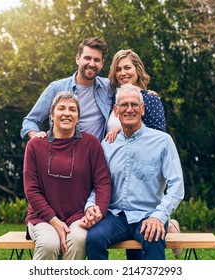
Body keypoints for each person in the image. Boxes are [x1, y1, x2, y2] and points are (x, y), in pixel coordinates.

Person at [85, 84, 185, 260]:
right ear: (116, 111)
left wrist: (159, 217)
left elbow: (177, 186)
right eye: (124, 105)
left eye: (134, 105)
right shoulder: (107, 145)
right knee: (94, 238)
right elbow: (98, 185)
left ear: (143, 109)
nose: (129, 109)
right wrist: (91, 206)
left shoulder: (163, 141)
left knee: (153, 236)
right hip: (115, 217)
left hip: (148, 215)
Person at [106, 49, 182, 259]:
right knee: (129, 249)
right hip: (119, 172)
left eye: (127, 67)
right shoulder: (112, 97)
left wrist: (123, 131)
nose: (123, 72)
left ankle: (168, 223)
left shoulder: (150, 99)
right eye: (118, 69)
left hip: (144, 181)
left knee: (145, 239)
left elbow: (156, 136)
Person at [23, 91, 111, 260]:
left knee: (78, 240)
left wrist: (98, 210)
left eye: (72, 109)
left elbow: (103, 183)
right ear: (51, 114)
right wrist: (54, 221)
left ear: (78, 117)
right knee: (49, 244)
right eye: (61, 108)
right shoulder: (35, 146)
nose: (66, 113)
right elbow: (32, 190)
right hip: (42, 217)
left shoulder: (91, 144)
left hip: (78, 216)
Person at [20, 37, 113, 141]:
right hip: (62, 154)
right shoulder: (57, 88)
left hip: (95, 154)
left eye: (96, 60)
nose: (91, 64)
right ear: (78, 58)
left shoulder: (108, 87)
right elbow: (30, 121)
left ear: (102, 63)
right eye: (87, 58)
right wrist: (37, 138)